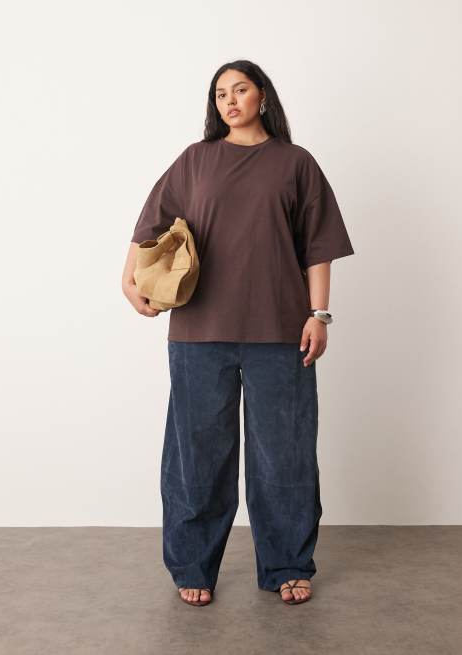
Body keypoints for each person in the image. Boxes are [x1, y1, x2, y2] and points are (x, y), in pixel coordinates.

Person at [121, 60, 355, 607]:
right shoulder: (195, 160)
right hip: (199, 331)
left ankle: (288, 564)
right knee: (197, 455)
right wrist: (127, 281)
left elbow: (318, 246)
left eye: (240, 89)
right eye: (220, 93)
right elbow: (150, 224)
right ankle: (192, 565)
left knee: (285, 455)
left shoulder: (295, 163)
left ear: (262, 96)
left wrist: (319, 315)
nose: (229, 100)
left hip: (281, 330)